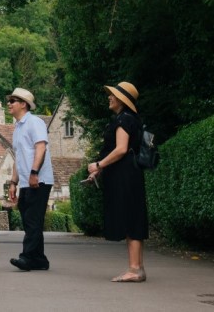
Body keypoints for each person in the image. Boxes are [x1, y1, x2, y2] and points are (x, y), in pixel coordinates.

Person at [86, 81, 148, 283]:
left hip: (124, 175)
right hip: (131, 173)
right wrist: (100, 169)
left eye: (113, 95)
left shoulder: (123, 120)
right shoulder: (132, 119)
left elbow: (121, 149)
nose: (109, 97)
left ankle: (134, 269)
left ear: (122, 100)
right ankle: (138, 266)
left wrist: (98, 164)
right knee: (134, 216)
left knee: (130, 218)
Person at [6, 87, 54, 271]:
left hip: (39, 179)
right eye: (9, 101)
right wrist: (13, 182)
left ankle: (26, 257)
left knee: (33, 219)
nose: (9, 104)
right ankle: (39, 260)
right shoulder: (17, 127)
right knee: (29, 219)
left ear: (24, 104)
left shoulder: (35, 122)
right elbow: (19, 157)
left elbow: (41, 148)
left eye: (13, 101)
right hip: (26, 181)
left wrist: (35, 173)